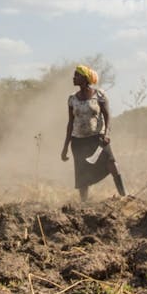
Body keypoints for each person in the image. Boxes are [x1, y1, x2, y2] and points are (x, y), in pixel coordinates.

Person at [60, 64, 127, 201]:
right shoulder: (72, 98)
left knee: (112, 163)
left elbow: (107, 116)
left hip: (98, 139)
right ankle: (83, 205)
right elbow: (70, 123)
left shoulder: (99, 95)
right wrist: (65, 147)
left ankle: (124, 196)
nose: (73, 78)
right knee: (81, 172)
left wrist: (107, 134)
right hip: (78, 140)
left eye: (76, 75)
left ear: (84, 78)